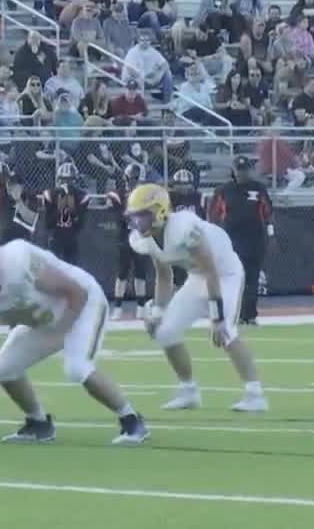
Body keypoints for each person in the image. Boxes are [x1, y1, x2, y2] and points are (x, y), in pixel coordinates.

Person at [0, 228, 148, 445]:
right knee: (2, 369)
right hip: (45, 319)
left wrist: (61, 331)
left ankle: (131, 420)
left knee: (77, 368)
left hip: (83, 303)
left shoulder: (17, 261)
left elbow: (76, 292)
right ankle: (38, 423)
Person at [125, 184, 267, 413]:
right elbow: (163, 275)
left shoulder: (184, 226)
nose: (138, 222)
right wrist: (158, 312)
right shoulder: (144, 238)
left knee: (226, 332)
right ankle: (188, 390)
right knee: (165, 332)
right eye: (135, 216)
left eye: (144, 214)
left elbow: (211, 269)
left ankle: (255, 394)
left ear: (160, 211)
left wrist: (217, 317)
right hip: (197, 276)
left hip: (224, 274)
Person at [215, 156, 271, 325]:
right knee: (235, 279)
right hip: (233, 241)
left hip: (255, 239)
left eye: (245, 170)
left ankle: (250, 315)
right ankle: (235, 314)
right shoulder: (224, 191)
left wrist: (270, 234)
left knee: (252, 280)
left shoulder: (258, 188)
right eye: (239, 170)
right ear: (234, 171)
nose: (242, 174)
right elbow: (215, 214)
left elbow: (268, 212)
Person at [106, 172, 149, 320]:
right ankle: (118, 307)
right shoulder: (119, 194)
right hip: (125, 237)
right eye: (133, 179)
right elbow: (117, 214)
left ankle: (141, 307)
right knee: (122, 273)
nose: (135, 182)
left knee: (140, 273)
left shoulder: (144, 195)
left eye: (136, 179)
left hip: (140, 236)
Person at [42, 162, 88, 265]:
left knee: (72, 270)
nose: (66, 183)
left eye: (70, 180)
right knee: (53, 269)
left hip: (71, 238)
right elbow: (48, 224)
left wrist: (71, 208)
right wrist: (60, 208)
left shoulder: (81, 196)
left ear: (75, 180)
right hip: (55, 237)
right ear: (59, 180)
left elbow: (80, 224)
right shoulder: (50, 194)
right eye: (64, 180)